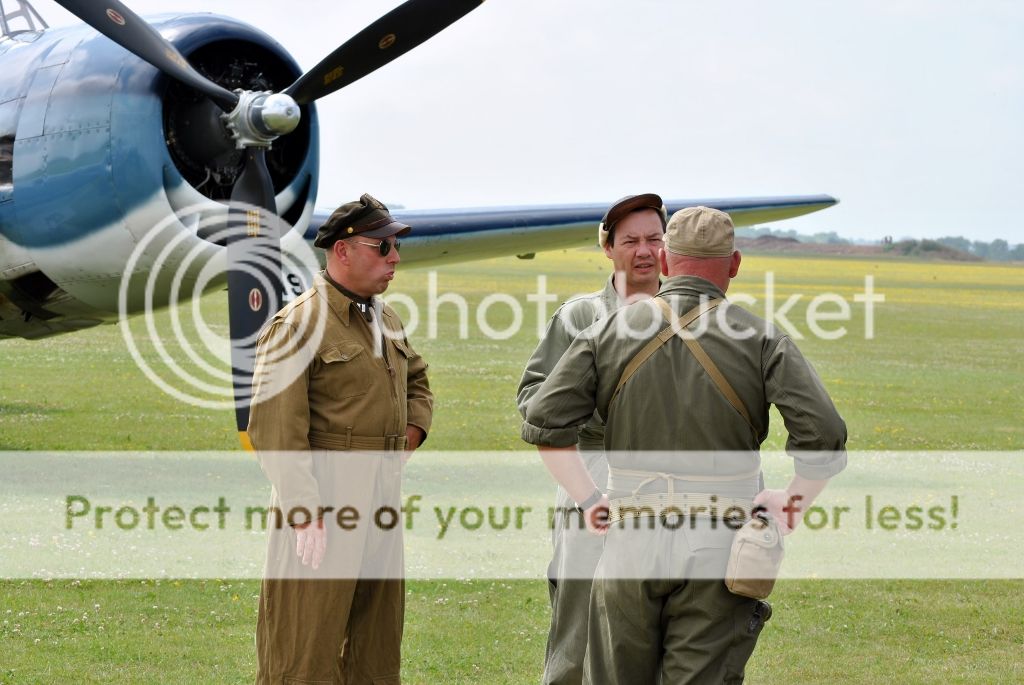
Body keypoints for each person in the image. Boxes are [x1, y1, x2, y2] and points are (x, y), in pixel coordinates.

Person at [521, 206, 847, 684]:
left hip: (628, 540)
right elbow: (825, 437)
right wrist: (789, 505)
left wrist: (589, 499)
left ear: (667, 262)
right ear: (734, 265)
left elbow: (542, 421)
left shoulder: (605, 331)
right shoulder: (763, 339)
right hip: (720, 544)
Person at [247, 193, 433, 685]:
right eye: (383, 246)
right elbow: (274, 429)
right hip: (323, 501)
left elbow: (417, 380)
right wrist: (306, 513)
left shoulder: (385, 318)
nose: (395, 258)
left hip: (380, 494)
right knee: (304, 644)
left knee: (376, 642)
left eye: (395, 246)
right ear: (343, 250)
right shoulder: (298, 325)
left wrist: (405, 439)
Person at [517, 193, 666, 685]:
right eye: (631, 241)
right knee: (577, 619)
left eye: (654, 239)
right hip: (593, 473)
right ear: (608, 247)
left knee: (664, 619)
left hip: (672, 480)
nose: (643, 251)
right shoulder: (579, 317)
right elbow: (534, 400)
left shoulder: (691, 313)